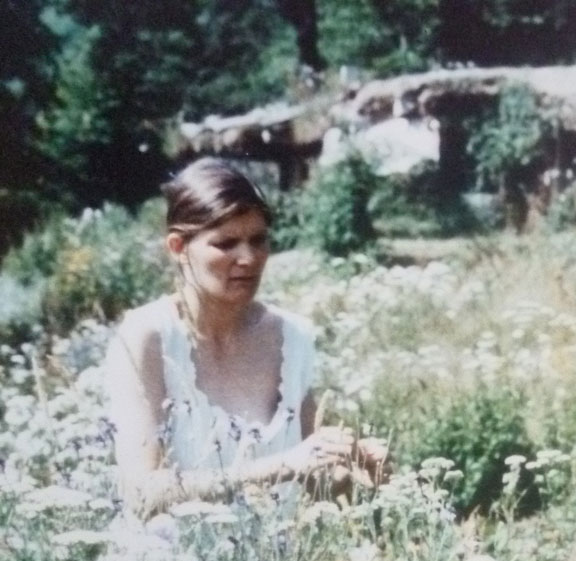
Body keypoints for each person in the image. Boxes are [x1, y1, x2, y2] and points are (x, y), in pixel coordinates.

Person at [104, 157, 385, 517]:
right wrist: (279, 466)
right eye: (226, 244)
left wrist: (354, 469)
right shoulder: (147, 338)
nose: (248, 258)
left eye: (258, 240)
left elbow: (315, 482)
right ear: (178, 248)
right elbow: (140, 495)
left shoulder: (291, 337)